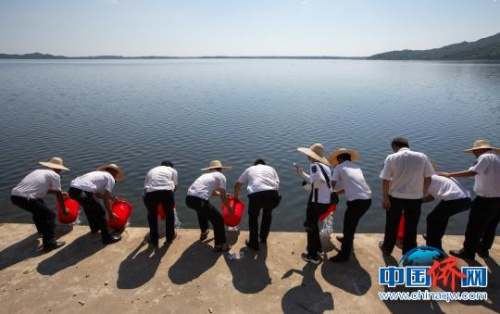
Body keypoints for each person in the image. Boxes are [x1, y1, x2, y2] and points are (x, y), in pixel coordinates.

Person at [438, 139, 500, 259]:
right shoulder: (498, 158)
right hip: (498, 200)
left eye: (474, 152)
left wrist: (449, 174)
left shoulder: (485, 157)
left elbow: (472, 172)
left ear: (480, 150)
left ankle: (468, 252)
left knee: (474, 226)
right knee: (491, 226)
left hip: (485, 200)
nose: (474, 154)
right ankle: (483, 249)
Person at [379, 137, 435, 255]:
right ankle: (408, 251)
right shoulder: (422, 157)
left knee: (391, 224)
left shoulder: (391, 158)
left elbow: (385, 180)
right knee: (411, 225)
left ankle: (387, 248)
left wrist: (385, 197)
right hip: (415, 198)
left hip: (395, 197)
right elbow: (428, 178)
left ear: (395, 146)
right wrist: (422, 193)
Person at [11, 157, 70, 252]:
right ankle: (49, 243)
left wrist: (59, 192)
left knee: (39, 211)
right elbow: (58, 195)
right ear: (59, 168)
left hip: (15, 196)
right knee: (50, 215)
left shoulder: (37, 171)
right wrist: (64, 210)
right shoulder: (55, 175)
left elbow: (38, 188)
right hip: (27, 198)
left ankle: (42, 232)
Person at [327, 148, 372, 262]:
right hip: (367, 200)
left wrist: (326, 195)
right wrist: (337, 193)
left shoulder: (339, 167)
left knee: (348, 227)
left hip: (356, 202)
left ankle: (344, 255)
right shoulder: (356, 167)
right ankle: (347, 239)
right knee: (352, 223)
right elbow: (351, 185)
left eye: (337, 160)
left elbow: (331, 185)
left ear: (340, 159)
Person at [69, 164, 123, 245]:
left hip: (72, 190)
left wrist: (110, 198)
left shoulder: (98, 174)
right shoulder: (111, 178)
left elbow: (96, 194)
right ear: (114, 172)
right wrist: (111, 214)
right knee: (101, 212)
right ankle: (107, 238)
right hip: (83, 191)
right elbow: (104, 199)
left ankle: (95, 229)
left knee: (89, 208)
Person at [186, 160, 234, 252]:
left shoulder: (205, 176)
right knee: (218, 219)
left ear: (211, 169)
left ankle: (204, 233)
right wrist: (229, 208)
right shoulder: (221, 176)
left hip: (189, 199)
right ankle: (220, 245)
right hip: (200, 200)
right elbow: (223, 197)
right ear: (220, 169)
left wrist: (223, 194)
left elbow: (212, 192)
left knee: (201, 211)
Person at [234, 158, 281, 251]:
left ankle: (253, 243)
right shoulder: (271, 168)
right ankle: (263, 238)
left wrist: (236, 197)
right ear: (264, 164)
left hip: (256, 195)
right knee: (267, 215)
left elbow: (238, 185)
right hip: (272, 194)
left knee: (253, 217)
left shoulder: (250, 169)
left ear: (254, 164)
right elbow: (277, 184)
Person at [296, 143, 332, 264]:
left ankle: (313, 256)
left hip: (317, 202)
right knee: (314, 224)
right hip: (325, 201)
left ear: (311, 156)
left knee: (310, 226)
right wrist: (301, 174)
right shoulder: (324, 166)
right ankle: (318, 249)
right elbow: (318, 180)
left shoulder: (314, 165)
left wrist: (309, 187)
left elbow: (320, 181)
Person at [423, 166, 471, 252]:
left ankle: (434, 248)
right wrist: (420, 202)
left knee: (432, 219)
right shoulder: (435, 178)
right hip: (465, 200)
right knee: (441, 218)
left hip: (455, 200)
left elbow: (419, 194)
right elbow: (432, 196)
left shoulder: (427, 179)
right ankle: (433, 237)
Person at [143, 161, 178, 247]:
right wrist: (169, 198)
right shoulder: (172, 170)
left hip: (150, 193)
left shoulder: (151, 170)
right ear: (170, 166)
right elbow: (175, 186)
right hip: (167, 192)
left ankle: (154, 239)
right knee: (169, 215)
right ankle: (170, 237)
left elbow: (145, 188)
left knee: (152, 216)